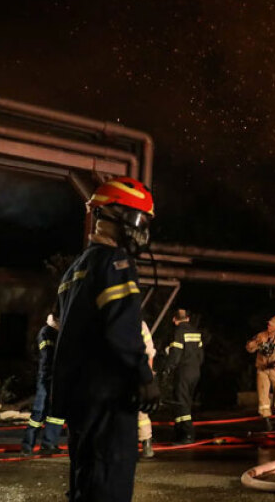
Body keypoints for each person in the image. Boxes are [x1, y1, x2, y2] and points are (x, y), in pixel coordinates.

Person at [49, 176, 160, 502]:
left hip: (80, 400)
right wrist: (143, 375)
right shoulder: (115, 262)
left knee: (85, 484)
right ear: (112, 215)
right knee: (109, 485)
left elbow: (60, 329)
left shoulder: (75, 270)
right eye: (138, 219)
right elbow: (121, 325)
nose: (141, 230)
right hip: (109, 398)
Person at [20, 310, 66, 455]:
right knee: (39, 411)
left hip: (57, 377)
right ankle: (27, 446)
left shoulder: (59, 334)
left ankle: (49, 444)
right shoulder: (46, 332)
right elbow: (47, 356)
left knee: (56, 412)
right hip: (46, 377)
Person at [245, 315, 275, 431]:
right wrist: (255, 343)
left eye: (271, 324)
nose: (268, 325)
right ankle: (266, 421)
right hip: (262, 369)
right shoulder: (261, 335)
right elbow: (249, 349)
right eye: (268, 323)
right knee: (263, 396)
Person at [164, 308, 204, 445]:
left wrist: (167, 368)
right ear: (188, 318)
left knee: (181, 401)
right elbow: (200, 355)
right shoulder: (196, 333)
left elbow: (175, 354)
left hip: (183, 371)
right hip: (195, 371)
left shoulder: (178, 332)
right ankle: (180, 431)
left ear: (174, 320)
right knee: (186, 401)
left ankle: (187, 434)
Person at [138, 320, 156, 458]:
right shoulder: (140, 323)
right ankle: (147, 444)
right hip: (138, 371)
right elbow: (149, 351)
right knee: (141, 412)